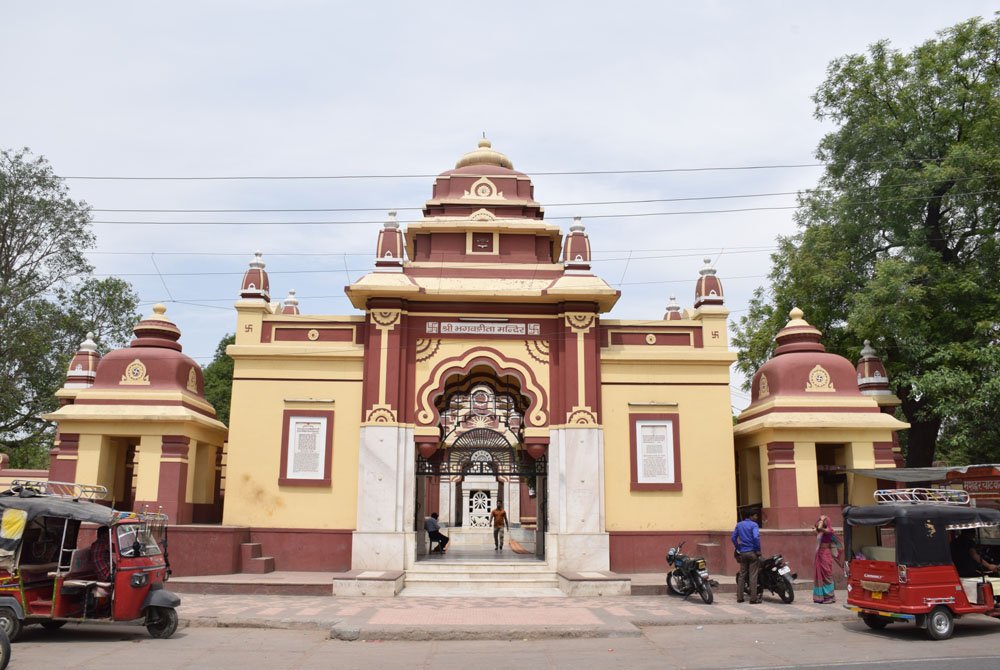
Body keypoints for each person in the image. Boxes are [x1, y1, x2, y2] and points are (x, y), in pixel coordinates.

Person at [731, 510, 761, 603]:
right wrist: (757, 549)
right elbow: (756, 537)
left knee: (742, 575)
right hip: (752, 552)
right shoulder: (754, 525)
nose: (756, 518)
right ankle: (753, 599)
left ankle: (740, 598)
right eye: (755, 516)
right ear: (751, 516)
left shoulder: (739, 525)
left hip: (743, 552)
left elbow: (733, 537)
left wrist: (738, 546)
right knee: (753, 576)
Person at [813, 515, 843, 604]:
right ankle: (821, 597)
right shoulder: (821, 532)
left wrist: (822, 519)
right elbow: (817, 527)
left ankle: (830, 597)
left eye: (822, 520)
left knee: (827, 575)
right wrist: (819, 523)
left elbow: (819, 527)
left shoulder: (829, 531)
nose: (820, 521)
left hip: (825, 555)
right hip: (820, 554)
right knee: (821, 575)